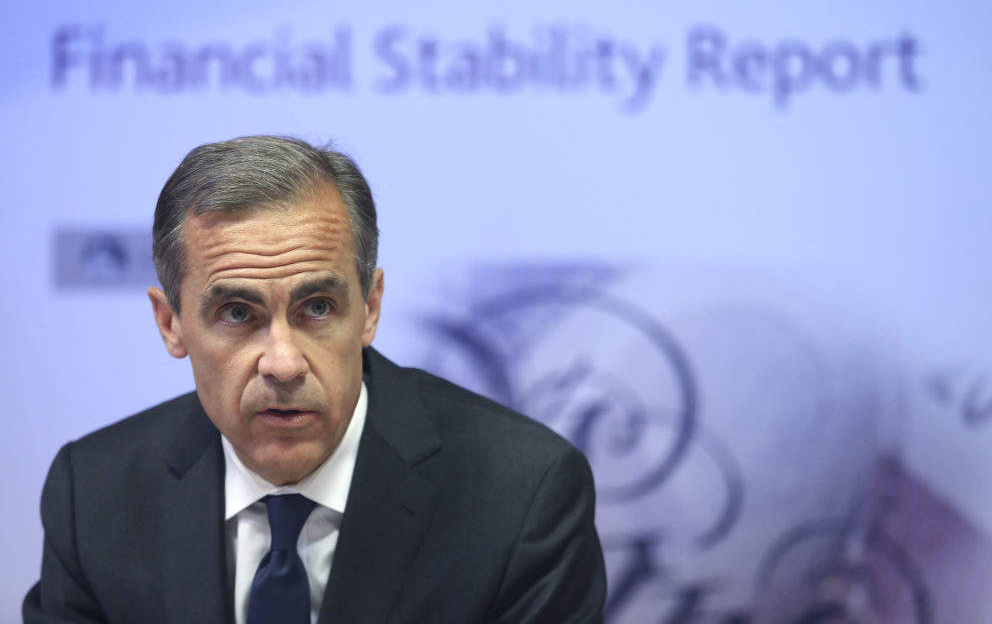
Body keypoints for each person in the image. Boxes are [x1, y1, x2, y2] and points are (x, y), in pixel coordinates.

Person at [23, 135, 606, 623]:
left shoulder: (522, 498)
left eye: (318, 308)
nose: (283, 364)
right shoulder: (94, 497)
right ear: (170, 323)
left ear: (370, 307)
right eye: (237, 313)